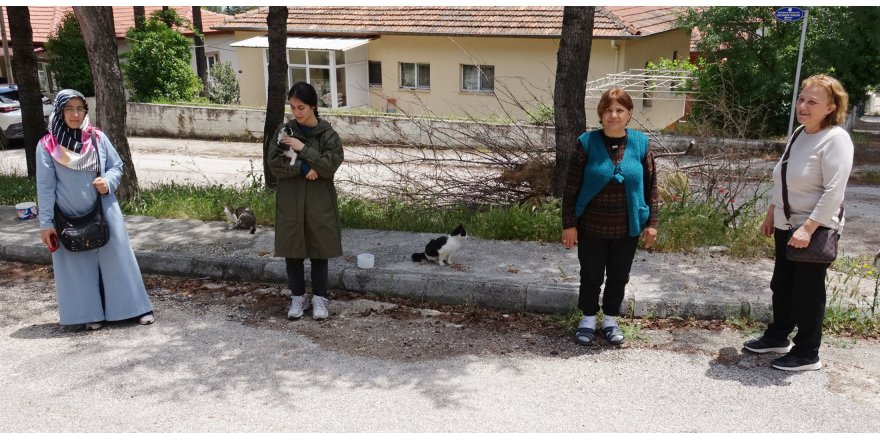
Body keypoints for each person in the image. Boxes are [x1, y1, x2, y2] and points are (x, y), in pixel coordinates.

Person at [743, 74, 853, 371]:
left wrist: (808, 227)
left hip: (813, 229)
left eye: (812, 102)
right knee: (782, 285)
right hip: (786, 224)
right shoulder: (800, 133)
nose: (803, 106)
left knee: (807, 291)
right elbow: (784, 177)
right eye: (801, 99)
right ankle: (778, 336)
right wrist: (772, 212)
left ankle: (807, 353)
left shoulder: (836, 140)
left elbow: (834, 191)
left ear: (831, 107)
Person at [36, 89, 154, 330]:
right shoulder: (47, 145)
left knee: (119, 259)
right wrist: (46, 224)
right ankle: (88, 314)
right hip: (66, 214)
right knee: (77, 266)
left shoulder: (97, 138)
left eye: (80, 108)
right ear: (60, 111)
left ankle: (134, 309)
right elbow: (45, 188)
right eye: (69, 109)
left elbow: (116, 166)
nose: (75, 114)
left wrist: (108, 182)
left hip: (104, 209)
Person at [561, 87, 659, 346]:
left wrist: (652, 224)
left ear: (629, 114)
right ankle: (588, 320)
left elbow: (651, 187)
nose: (613, 115)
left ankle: (611, 320)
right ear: (601, 114)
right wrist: (569, 224)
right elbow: (571, 188)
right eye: (608, 110)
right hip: (591, 226)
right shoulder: (586, 143)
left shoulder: (641, 143)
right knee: (591, 274)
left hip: (628, 227)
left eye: (619, 110)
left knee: (619, 275)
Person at [268, 82, 344, 321]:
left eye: (301, 107)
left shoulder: (328, 135)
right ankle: (297, 298)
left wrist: (303, 149)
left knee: (320, 252)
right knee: (293, 253)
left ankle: (320, 299)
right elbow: (274, 162)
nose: (296, 113)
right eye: (292, 107)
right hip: (290, 201)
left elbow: (329, 165)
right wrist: (302, 167)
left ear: (313, 107)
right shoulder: (285, 132)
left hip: (319, 203)